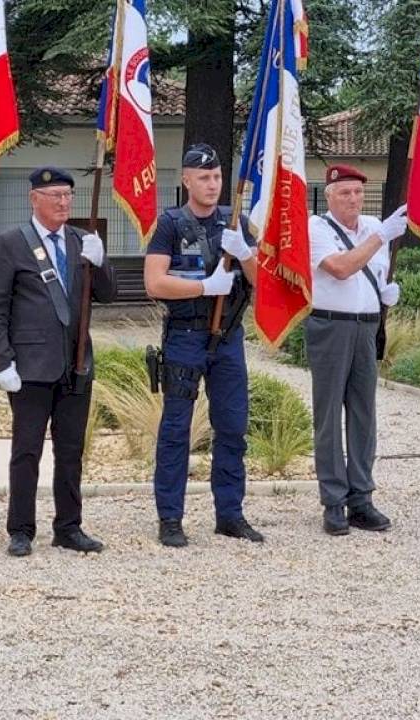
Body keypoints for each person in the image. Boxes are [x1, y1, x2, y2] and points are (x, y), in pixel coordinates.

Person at [0, 166, 117, 557]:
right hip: (30, 366)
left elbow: (107, 295)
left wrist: (102, 260)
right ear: (34, 199)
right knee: (27, 450)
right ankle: (21, 528)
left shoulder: (81, 241)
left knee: (71, 449)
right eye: (55, 195)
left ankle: (68, 526)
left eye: (67, 196)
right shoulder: (11, 243)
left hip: (76, 363)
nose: (63, 203)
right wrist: (2, 361)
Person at [143, 143, 263, 548]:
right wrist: (203, 286)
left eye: (216, 177)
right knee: (176, 430)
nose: (212, 185)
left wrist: (244, 253)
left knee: (232, 428)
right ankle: (170, 518)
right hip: (186, 336)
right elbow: (155, 282)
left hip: (227, 338)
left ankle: (229, 514)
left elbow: (264, 283)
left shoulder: (236, 222)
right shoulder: (171, 224)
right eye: (204, 178)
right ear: (187, 180)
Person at [306, 164, 407, 536]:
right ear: (329, 195)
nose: (352, 199)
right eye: (344, 193)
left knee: (364, 415)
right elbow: (341, 268)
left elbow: (371, 273)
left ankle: (361, 498)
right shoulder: (317, 228)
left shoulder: (369, 228)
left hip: (366, 327)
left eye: (358, 193)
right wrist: (382, 236)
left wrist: (384, 293)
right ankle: (333, 501)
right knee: (329, 415)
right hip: (330, 325)